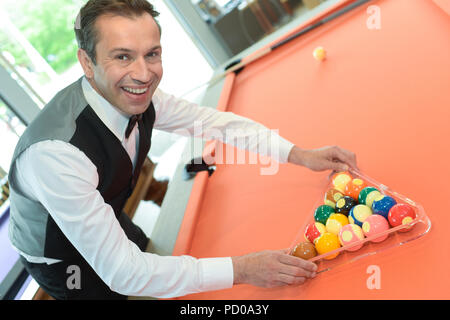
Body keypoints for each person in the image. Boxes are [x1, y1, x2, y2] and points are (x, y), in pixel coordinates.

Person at [8, 0, 358, 300]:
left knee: (150, 256)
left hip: (104, 208)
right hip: (58, 256)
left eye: (152, 54)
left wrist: (300, 154)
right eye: (123, 57)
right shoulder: (54, 154)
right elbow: (122, 272)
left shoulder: (137, 94)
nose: (143, 74)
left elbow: (216, 123)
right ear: (87, 63)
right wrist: (241, 269)